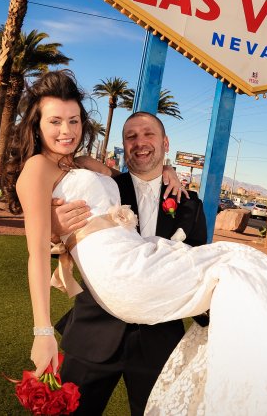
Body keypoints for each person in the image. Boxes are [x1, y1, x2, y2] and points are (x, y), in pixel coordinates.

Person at [3, 70, 267, 416]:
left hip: (156, 333)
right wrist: (43, 326)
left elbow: (118, 187)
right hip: (99, 324)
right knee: (238, 259)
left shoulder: (103, 172)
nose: (66, 131)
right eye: (55, 121)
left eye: (74, 121)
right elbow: (37, 253)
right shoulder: (37, 169)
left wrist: (165, 171)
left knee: (238, 262)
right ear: (37, 125)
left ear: (164, 143)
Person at [51, 111, 210, 415]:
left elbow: (196, 266)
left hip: (160, 342)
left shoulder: (190, 205)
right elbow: (61, 239)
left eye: (148, 134)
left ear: (165, 143)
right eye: (131, 136)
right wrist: (54, 227)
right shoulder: (101, 187)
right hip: (95, 331)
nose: (140, 142)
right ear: (123, 145)